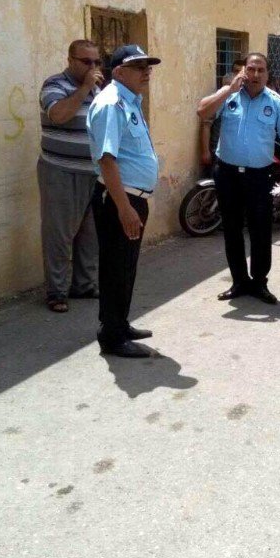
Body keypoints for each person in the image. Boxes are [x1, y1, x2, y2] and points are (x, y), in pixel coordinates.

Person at [197, 53, 280, 304]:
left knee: (260, 230)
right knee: (232, 229)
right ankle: (239, 281)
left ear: (268, 75)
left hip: (260, 176)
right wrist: (227, 90)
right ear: (243, 71)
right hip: (227, 174)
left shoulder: (276, 103)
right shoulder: (229, 95)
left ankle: (258, 283)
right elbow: (202, 111)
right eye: (251, 69)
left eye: (261, 70)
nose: (255, 75)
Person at [86, 44, 162, 358]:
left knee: (126, 265)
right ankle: (113, 338)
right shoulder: (111, 103)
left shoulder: (129, 102)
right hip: (119, 199)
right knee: (116, 267)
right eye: (138, 66)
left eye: (148, 66)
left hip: (131, 198)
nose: (146, 72)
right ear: (118, 71)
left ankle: (119, 323)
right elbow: (106, 160)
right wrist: (124, 208)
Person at [37, 40, 105, 313]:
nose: (92, 67)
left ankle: (84, 285)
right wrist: (85, 87)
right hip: (61, 171)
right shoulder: (54, 85)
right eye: (86, 62)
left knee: (90, 235)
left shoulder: (99, 89)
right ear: (70, 60)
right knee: (59, 234)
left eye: (96, 62)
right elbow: (59, 115)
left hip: (93, 172)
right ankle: (57, 291)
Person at [200, 59, 245, 175]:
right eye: (236, 71)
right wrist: (206, 152)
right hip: (218, 150)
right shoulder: (220, 97)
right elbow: (206, 124)